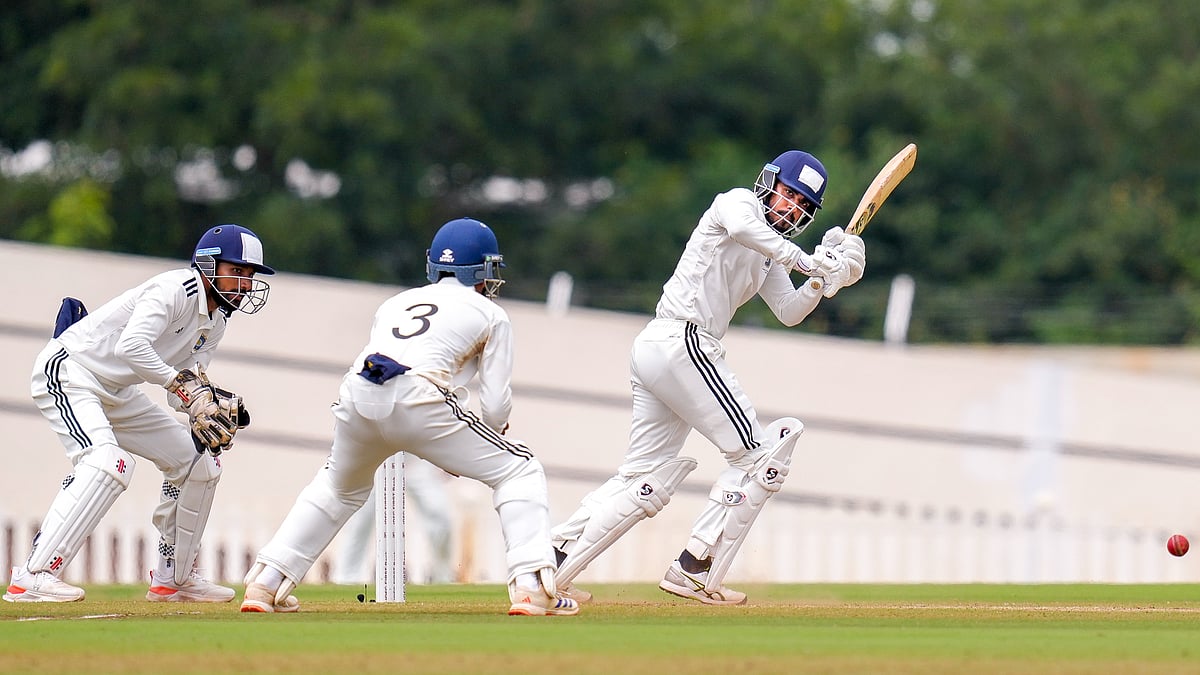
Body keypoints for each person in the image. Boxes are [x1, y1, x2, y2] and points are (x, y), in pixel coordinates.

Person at [550, 150, 867, 605]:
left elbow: (790, 311)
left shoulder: (770, 256)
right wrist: (812, 263)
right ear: (768, 182)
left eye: (802, 204)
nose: (791, 207)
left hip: (663, 350)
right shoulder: (736, 203)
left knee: (642, 475)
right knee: (761, 458)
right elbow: (745, 230)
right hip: (684, 341)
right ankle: (694, 566)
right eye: (788, 193)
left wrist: (826, 277)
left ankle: (555, 557)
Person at [240, 217, 579, 617]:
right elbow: (494, 404)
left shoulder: (394, 303)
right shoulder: (491, 314)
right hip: (418, 395)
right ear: (485, 269)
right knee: (519, 468)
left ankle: (266, 581)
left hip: (359, 390)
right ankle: (531, 588)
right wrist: (481, 440)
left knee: (337, 487)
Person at [4, 224, 273, 603]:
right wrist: (182, 387)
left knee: (200, 462)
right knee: (108, 462)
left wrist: (203, 404)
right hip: (70, 371)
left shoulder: (216, 322)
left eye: (250, 276)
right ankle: (33, 576)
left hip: (117, 391)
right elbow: (132, 349)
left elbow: (182, 387)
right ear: (208, 265)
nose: (244, 284)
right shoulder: (175, 290)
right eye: (238, 272)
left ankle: (173, 578)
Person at [330, 454, 456, 585]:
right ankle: (347, 578)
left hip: (417, 459)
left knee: (441, 518)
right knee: (358, 523)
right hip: (377, 460)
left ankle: (443, 577)